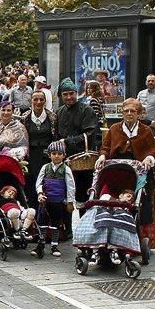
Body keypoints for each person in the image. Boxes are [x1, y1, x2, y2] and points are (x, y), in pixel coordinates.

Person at [96, 98, 155, 263]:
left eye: (133, 111)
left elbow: (153, 150)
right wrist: (102, 156)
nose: (129, 114)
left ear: (139, 114)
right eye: (126, 111)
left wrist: (148, 159)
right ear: (122, 113)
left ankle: (136, 240)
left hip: (138, 174)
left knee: (139, 206)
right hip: (117, 172)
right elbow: (105, 147)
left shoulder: (145, 130)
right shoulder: (115, 128)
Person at [55, 79, 102, 210]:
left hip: (83, 162)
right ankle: (66, 229)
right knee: (65, 198)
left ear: (76, 93)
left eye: (71, 93)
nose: (69, 97)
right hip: (65, 161)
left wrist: (67, 141)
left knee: (83, 198)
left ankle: (84, 228)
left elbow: (90, 133)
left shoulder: (87, 110)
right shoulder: (59, 112)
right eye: (65, 94)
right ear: (61, 96)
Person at [34, 139, 74, 257]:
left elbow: (71, 186)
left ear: (64, 155)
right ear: (49, 155)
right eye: (54, 154)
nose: (56, 156)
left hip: (58, 201)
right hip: (45, 201)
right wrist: (40, 193)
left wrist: (70, 202)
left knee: (56, 223)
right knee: (42, 222)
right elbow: (39, 182)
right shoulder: (45, 168)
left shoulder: (66, 169)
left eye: (59, 154)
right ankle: (40, 244)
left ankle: (54, 245)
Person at [22, 89, 55, 204]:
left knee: (46, 183)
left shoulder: (52, 117)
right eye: (35, 99)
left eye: (41, 99)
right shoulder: (25, 118)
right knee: (31, 183)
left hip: (47, 156)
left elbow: (55, 137)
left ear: (45, 101)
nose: (38, 102)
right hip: (31, 156)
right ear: (31, 101)